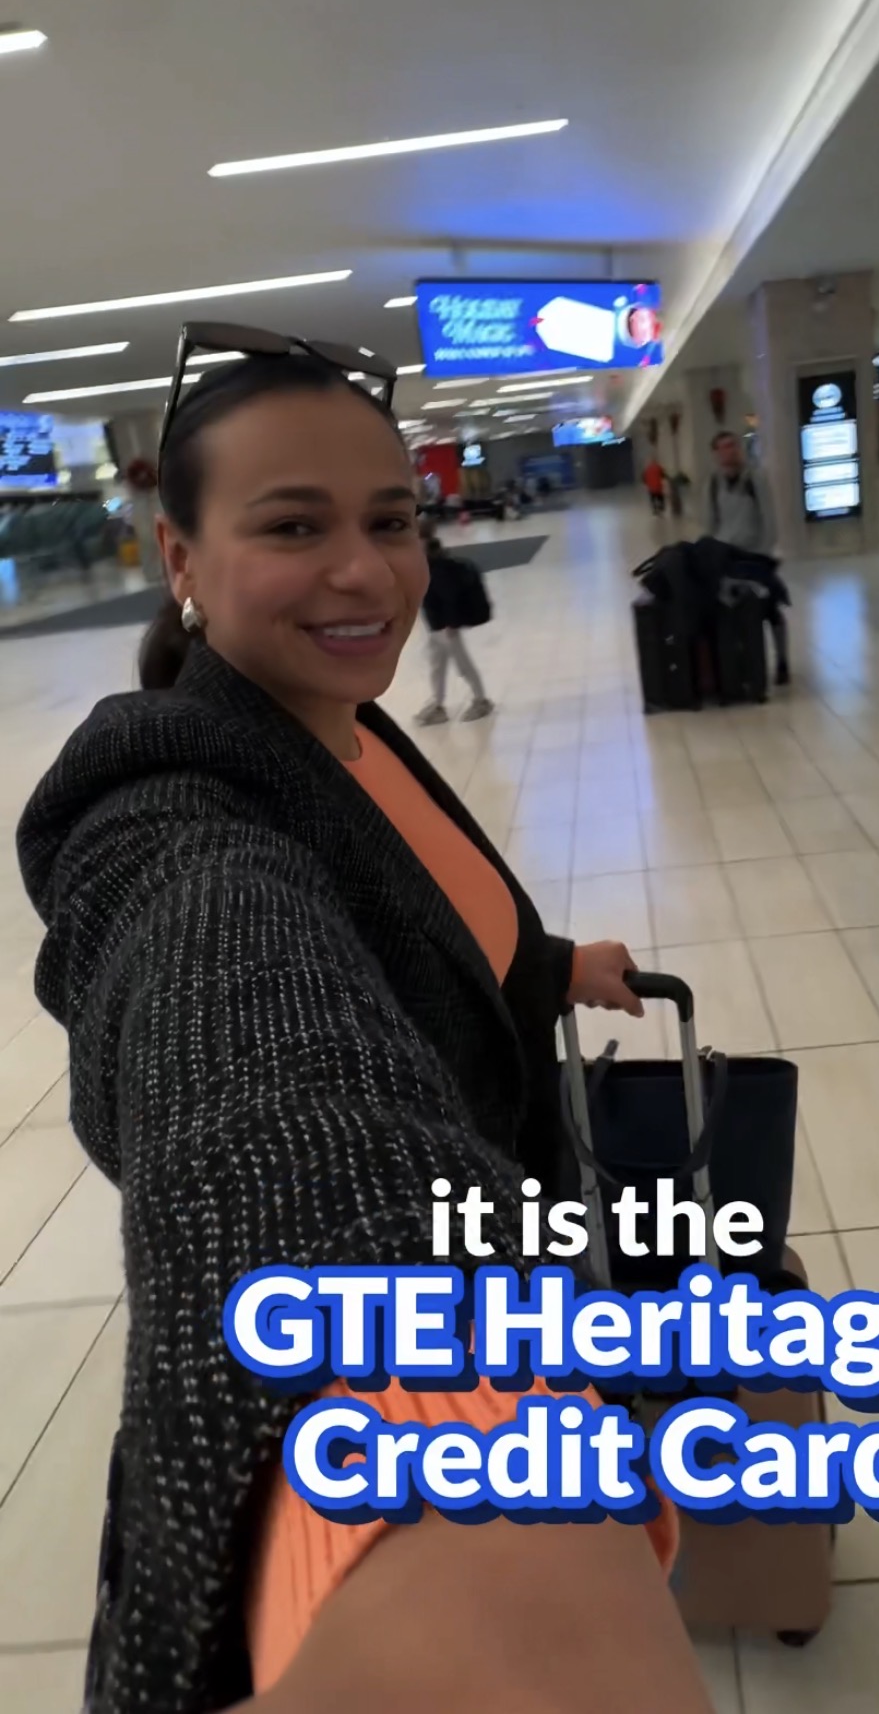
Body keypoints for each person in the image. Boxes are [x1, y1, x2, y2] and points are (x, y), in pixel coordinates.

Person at [16, 345, 710, 1714]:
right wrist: (430, 1389)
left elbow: (416, 920)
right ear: (181, 555)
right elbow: (246, 1023)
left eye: (391, 520)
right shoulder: (162, 789)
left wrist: (550, 965)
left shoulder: (350, 723)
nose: (366, 571)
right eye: (293, 526)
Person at [706, 429, 789, 685]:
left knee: (770, 605)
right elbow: (711, 523)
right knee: (728, 608)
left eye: (732, 445)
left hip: (755, 555)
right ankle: (739, 664)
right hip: (728, 557)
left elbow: (769, 519)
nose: (729, 451)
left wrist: (764, 551)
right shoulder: (713, 484)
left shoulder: (755, 479)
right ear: (716, 453)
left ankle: (782, 660)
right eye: (723, 447)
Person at [415, 518, 494, 725]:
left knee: (463, 664)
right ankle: (438, 704)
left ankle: (481, 700)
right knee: (436, 665)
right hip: (435, 624)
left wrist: (452, 623)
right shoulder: (426, 560)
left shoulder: (438, 565)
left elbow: (448, 596)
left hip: (444, 626)